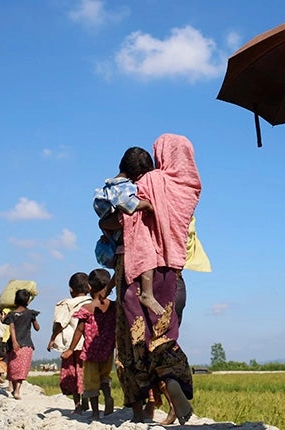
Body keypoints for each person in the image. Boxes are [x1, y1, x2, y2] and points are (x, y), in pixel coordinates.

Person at [101, 134, 200, 424]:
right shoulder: (190, 188)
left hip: (137, 269)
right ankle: (172, 385)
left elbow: (115, 219)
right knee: (165, 335)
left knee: (132, 338)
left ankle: (139, 409)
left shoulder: (145, 183)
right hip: (172, 273)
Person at [94, 148, 164, 316]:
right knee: (147, 254)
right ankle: (147, 294)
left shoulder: (110, 185)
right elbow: (127, 204)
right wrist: (147, 205)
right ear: (138, 174)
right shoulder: (123, 187)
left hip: (115, 239)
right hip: (122, 238)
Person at [62, 268, 117, 419]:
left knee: (91, 382)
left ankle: (95, 412)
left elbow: (79, 330)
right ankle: (108, 398)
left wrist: (71, 349)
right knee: (105, 377)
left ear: (90, 287)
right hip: (108, 350)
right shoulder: (114, 306)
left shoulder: (87, 308)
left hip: (91, 352)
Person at [48, 272, 93, 413]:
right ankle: (86, 401)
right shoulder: (92, 302)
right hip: (88, 344)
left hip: (71, 345)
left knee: (73, 373)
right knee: (85, 373)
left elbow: (60, 323)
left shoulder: (67, 304)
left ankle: (78, 405)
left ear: (71, 289)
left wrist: (52, 338)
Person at [3, 288, 40, 400]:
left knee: (13, 368)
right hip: (26, 344)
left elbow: (11, 326)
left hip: (12, 345)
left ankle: (16, 390)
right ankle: (17, 390)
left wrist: (14, 341)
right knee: (22, 369)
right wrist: (34, 319)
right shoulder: (30, 313)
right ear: (28, 301)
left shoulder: (11, 315)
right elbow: (37, 328)